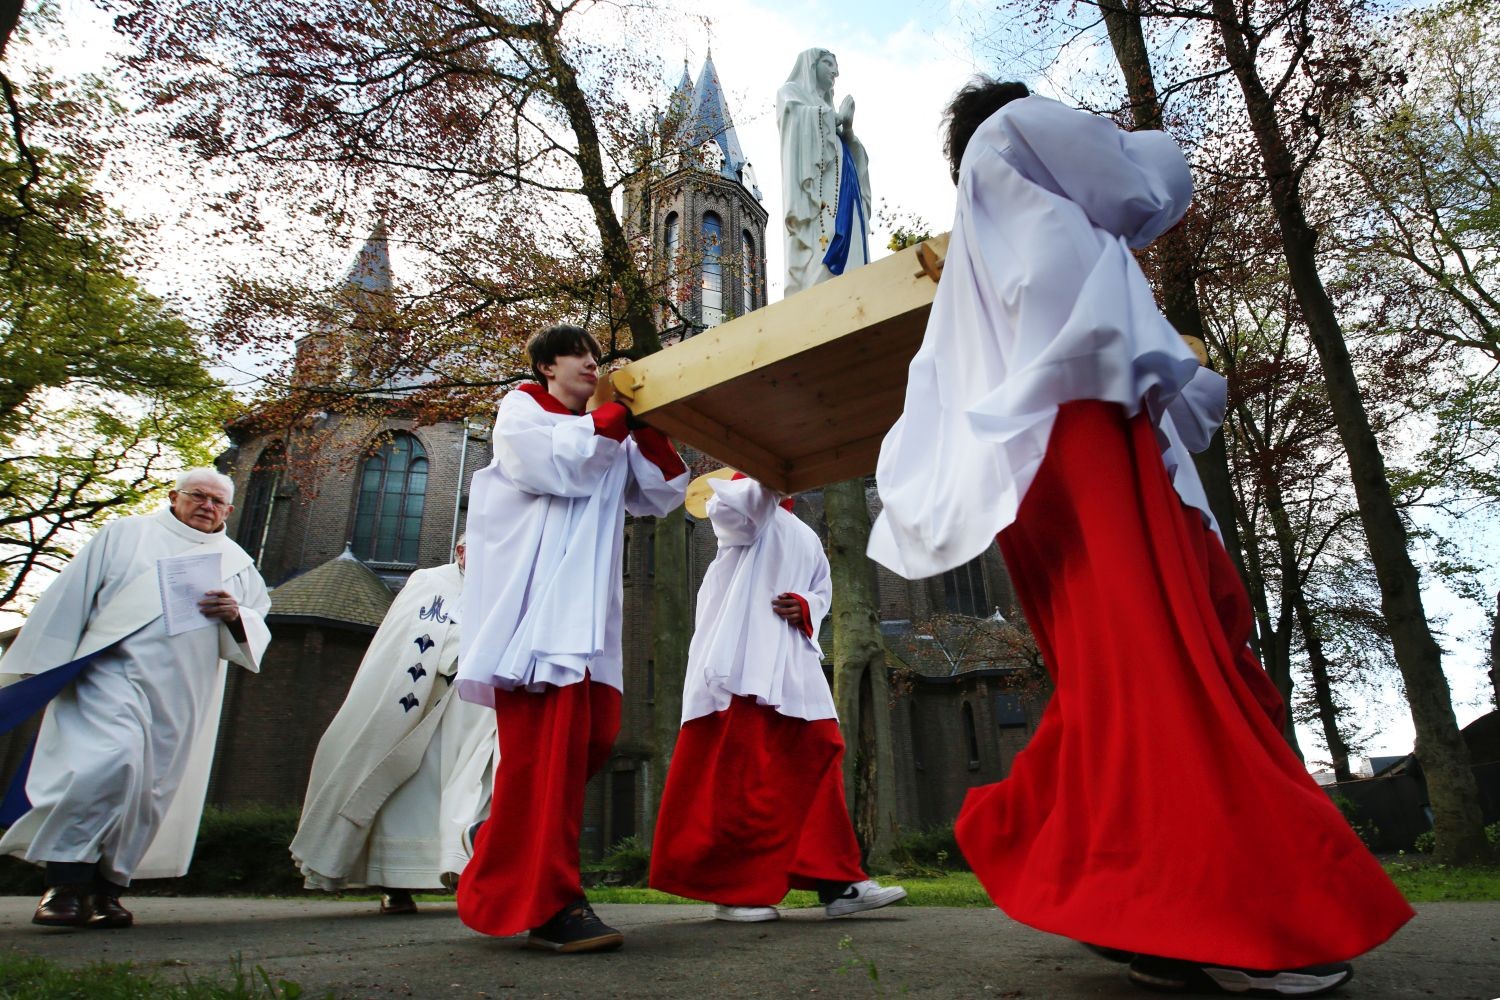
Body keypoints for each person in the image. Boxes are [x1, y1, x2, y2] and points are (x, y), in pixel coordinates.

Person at [868, 80, 1413, 997]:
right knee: (1162, 653)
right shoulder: (1013, 130)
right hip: (1083, 430)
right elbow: (1144, 185)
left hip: (1047, 453)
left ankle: (1125, 892)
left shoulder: (984, 235)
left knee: (1124, 667)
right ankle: (1251, 912)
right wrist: (1142, 141)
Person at [454, 324, 688, 953]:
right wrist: (613, 418)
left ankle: (501, 838)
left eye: (596, 356)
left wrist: (650, 427)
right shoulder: (523, 409)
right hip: (535, 619)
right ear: (545, 366)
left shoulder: (604, 429)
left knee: (593, 739)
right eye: (579, 354)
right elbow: (548, 466)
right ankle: (553, 904)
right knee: (546, 757)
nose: (592, 363)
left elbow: (661, 496)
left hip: (588, 621)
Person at [0, 469, 271, 929]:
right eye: (197, 496)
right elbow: (72, 596)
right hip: (109, 677)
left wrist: (236, 614)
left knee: (148, 788)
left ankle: (108, 890)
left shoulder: (238, 562)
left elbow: (255, 620)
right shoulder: (125, 536)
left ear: (229, 510)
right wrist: (45, 663)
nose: (207, 506)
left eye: (218, 502)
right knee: (105, 765)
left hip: (182, 690)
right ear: (174, 497)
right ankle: (64, 884)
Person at [649, 474, 905, 922]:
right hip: (743, 661)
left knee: (819, 752)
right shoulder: (742, 511)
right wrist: (764, 463)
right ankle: (735, 889)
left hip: (793, 664)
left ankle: (837, 881)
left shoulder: (804, 532)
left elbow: (822, 587)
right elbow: (733, 513)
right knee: (745, 774)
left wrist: (807, 605)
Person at [290, 535, 495, 914]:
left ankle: (467, 877)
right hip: (420, 712)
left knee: (470, 791)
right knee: (403, 791)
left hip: (475, 714)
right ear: (462, 551)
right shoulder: (430, 583)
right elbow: (408, 642)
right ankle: (395, 884)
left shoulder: (503, 590)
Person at [777, 48, 871, 294]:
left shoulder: (830, 114)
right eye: (828, 63)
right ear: (811, 65)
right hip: (818, 198)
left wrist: (847, 129)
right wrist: (833, 118)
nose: (835, 71)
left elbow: (855, 155)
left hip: (846, 188)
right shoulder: (792, 93)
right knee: (821, 254)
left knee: (853, 254)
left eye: (835, 66)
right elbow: (793, 119)